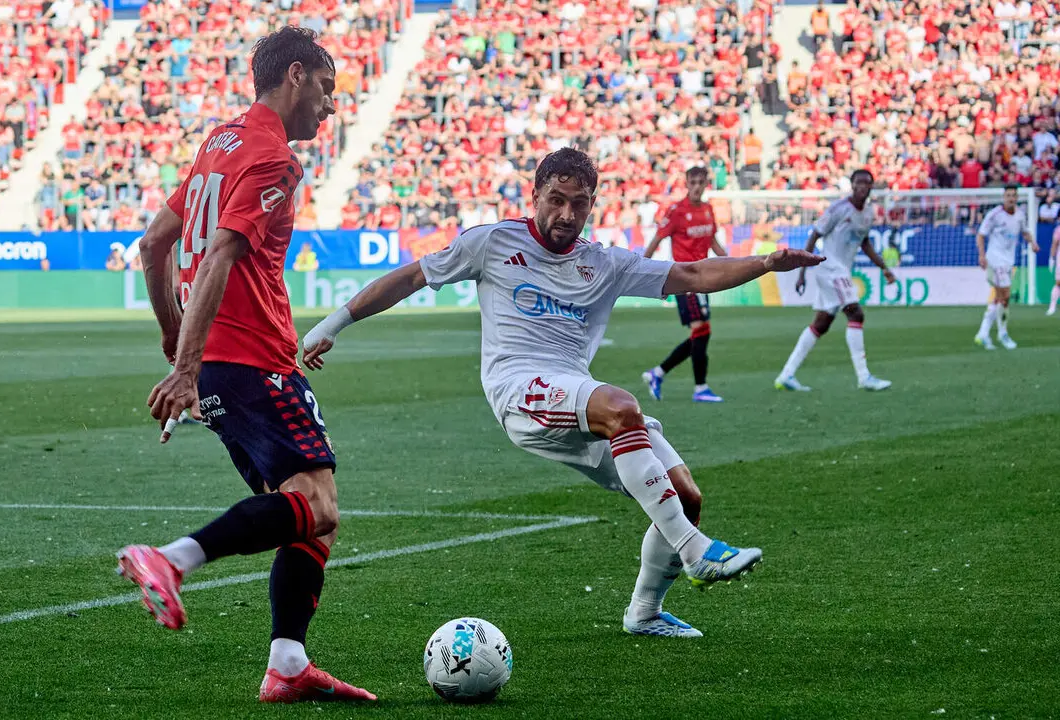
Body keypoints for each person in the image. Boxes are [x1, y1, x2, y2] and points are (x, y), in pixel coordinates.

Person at [302, 148, 825, 637]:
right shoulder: (494, 242)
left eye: (579, 203)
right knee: (622, 405)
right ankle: (694, 552)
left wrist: (763, 264)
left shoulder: (605, 263)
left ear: (592, 205)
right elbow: (414, 276)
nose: (566, 213)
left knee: (685, 496)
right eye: (557, 200)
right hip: (517, 388)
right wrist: (336, 321)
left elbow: (691, 272)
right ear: (536, 197)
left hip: (573, 397)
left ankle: (645, 612)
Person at [114, 27, 375, 704]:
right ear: (295, 75)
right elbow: (224, 252)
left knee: (307, 511)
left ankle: (287, 664)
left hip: (227, 363)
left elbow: (152, 246)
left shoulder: (220, 142)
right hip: (254, 360)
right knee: (314, 504)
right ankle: (171, 560)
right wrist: (186, 366)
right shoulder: (271, 158)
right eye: (326, 88)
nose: (330, 106)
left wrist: (181, 351)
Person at [774, 170, 895, 392]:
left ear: (871, 187)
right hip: (829, 268)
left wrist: (884, 268)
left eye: (867, 184)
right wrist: (802, 272)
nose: (863, 187)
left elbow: (864, 243)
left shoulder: (868, 212)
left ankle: (786, 375)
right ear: (851, 185)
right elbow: (814, 235)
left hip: (841, 270)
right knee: (856, 313)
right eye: (859, 183)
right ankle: (864, 377)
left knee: (822, 323)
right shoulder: (839, 209)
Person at [641, 167, 728, 403]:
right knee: (701, 331)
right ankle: (700, 388)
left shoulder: (709, 210)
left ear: (706, 183)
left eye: (701, 182)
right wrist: (640, 268)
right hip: (686, 278)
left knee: (701, 334)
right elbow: (656, 239)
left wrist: (735, 265)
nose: (697, 186)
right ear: (686, 184)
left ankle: (657, 373)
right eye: (693, 182)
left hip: (705, 279)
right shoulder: (677, 211)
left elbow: (714, 244)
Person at [974, 185, 1037, 347]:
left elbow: (1025, 232)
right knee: (1006, 295)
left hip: (1008, 261)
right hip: (994, 260)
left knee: (1000, 298)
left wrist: (1033, 243)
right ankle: (1002, 334)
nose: (1011, 198)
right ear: (1004, 197)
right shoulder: (995, 214)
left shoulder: (1020, 215)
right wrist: (981, 256)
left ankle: (983, 332)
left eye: (1013, 196)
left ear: (1016, 198)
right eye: (1008, 195)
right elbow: (981, 235)